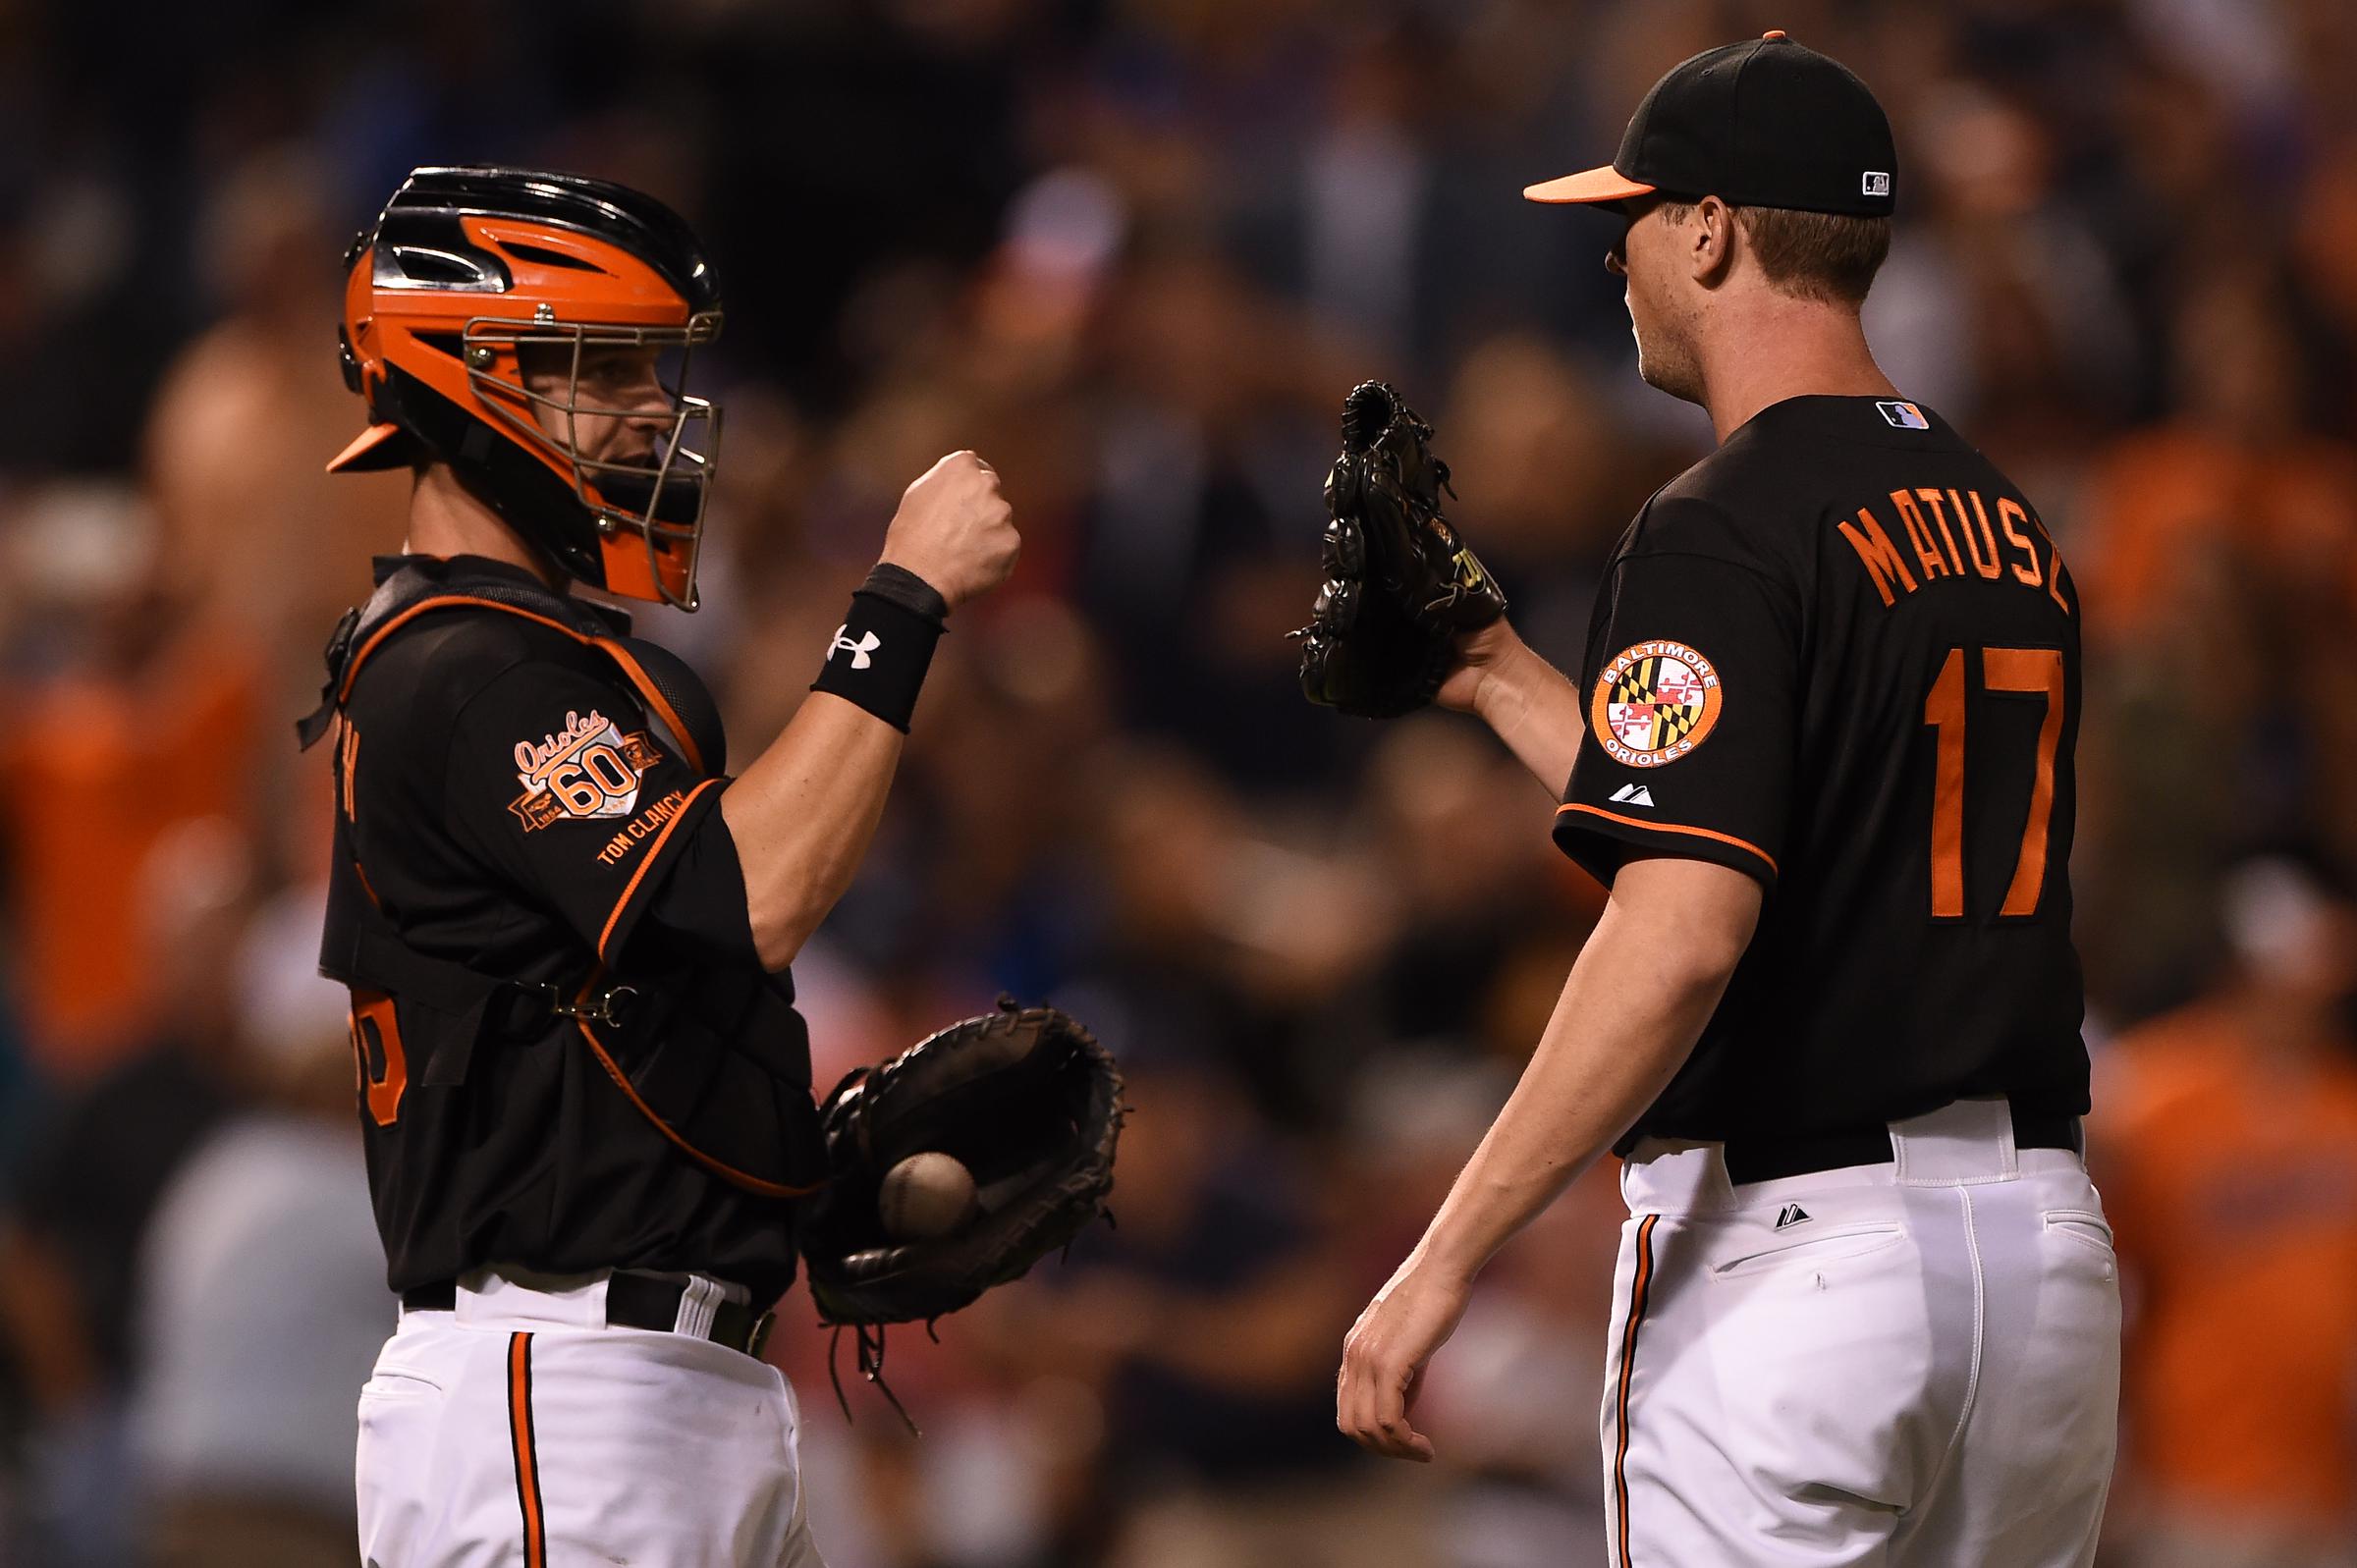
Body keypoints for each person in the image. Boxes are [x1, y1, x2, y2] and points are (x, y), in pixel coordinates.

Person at [1331, 34, 2118, 1566]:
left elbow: (1684, 924)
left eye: (1630, 215)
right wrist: (1494, 668)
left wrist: (1446, 1253)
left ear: (1710, 230)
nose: (1614, 255)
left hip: (1801, 1266)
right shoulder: (2003, 513)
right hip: (2040, 1264)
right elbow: (1754, 820)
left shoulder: (1717, 523)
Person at [306, 166, 1017, 1568]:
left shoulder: (548, 662)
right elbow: (750, 897)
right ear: (465, 373)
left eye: (649, 366)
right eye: (600, 365)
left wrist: (794, 1174)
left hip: (661, 1385)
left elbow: (621, 1024)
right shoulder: (461, 669)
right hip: (558, 1388)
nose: (649, 407)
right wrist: (902, 601)